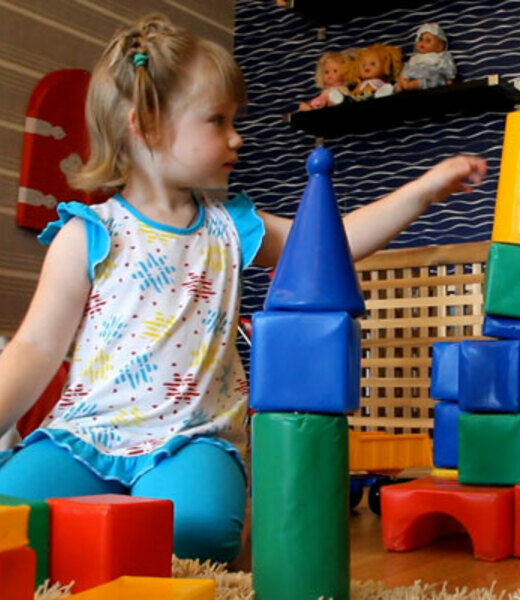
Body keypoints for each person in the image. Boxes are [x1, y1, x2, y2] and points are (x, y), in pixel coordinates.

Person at [0, 14, 486, 564]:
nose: (237, 137)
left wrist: (424, 189)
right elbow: (34, 347)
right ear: (147, 126)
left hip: (192, 441)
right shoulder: (88, 233)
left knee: (197, 536)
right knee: (11, 519)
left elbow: (335, 242)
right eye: (217, 121)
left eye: (235, 120)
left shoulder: (231, 226)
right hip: (86, 437)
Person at [395, 23, 457, 92]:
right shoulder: (414, 58)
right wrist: (403, 78)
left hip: (431, 80)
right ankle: (401, 86)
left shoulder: (442, 56)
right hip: (414, 77)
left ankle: (413, 85)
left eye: (428, 40)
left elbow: (449, 70)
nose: (422, 42)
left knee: (436, 78)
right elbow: (407, 69)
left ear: (440, 46)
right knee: (404, 75)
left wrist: (449, 80)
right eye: (420, 39)